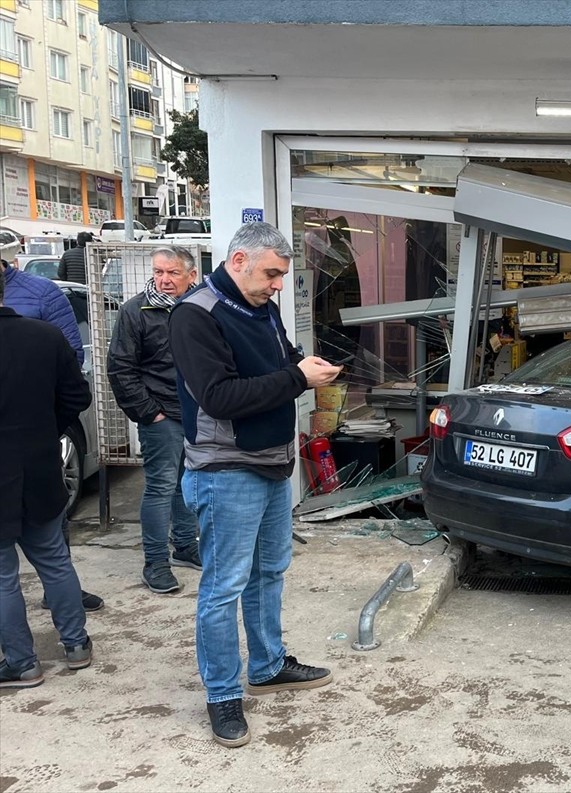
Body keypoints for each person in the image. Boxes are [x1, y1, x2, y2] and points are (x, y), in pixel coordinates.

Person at [170, 222, 343, 747]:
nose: (277, 285)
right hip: (226, 470)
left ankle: (267, 665)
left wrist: (303, 365)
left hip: (271, 463)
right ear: (239, 260)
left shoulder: (261, 306)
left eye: (282, 277)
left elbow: (280, 359)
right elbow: (219, 398)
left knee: (270, 572)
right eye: (271, 273)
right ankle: (223, 696)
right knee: (223, 588)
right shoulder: (196, 315)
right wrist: (297, 379)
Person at [0, 262, 95, 688]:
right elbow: (77, 395)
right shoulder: (45, 336)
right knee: (54, 561)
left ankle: (22, 663)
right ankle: (75, 645)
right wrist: (45, 429)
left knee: (3, 577)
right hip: (39, 465)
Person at [108, 246, 201, 594]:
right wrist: (150, 412)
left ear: (191, 275)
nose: (163, 280)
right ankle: (156, 563)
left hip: (196, 414)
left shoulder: (201, 307)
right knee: (161, 487)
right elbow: (120, 368)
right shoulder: (136, 311)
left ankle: (186, 547)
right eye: (158, 272)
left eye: (172, 273)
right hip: (160, 416)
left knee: (187, 485)